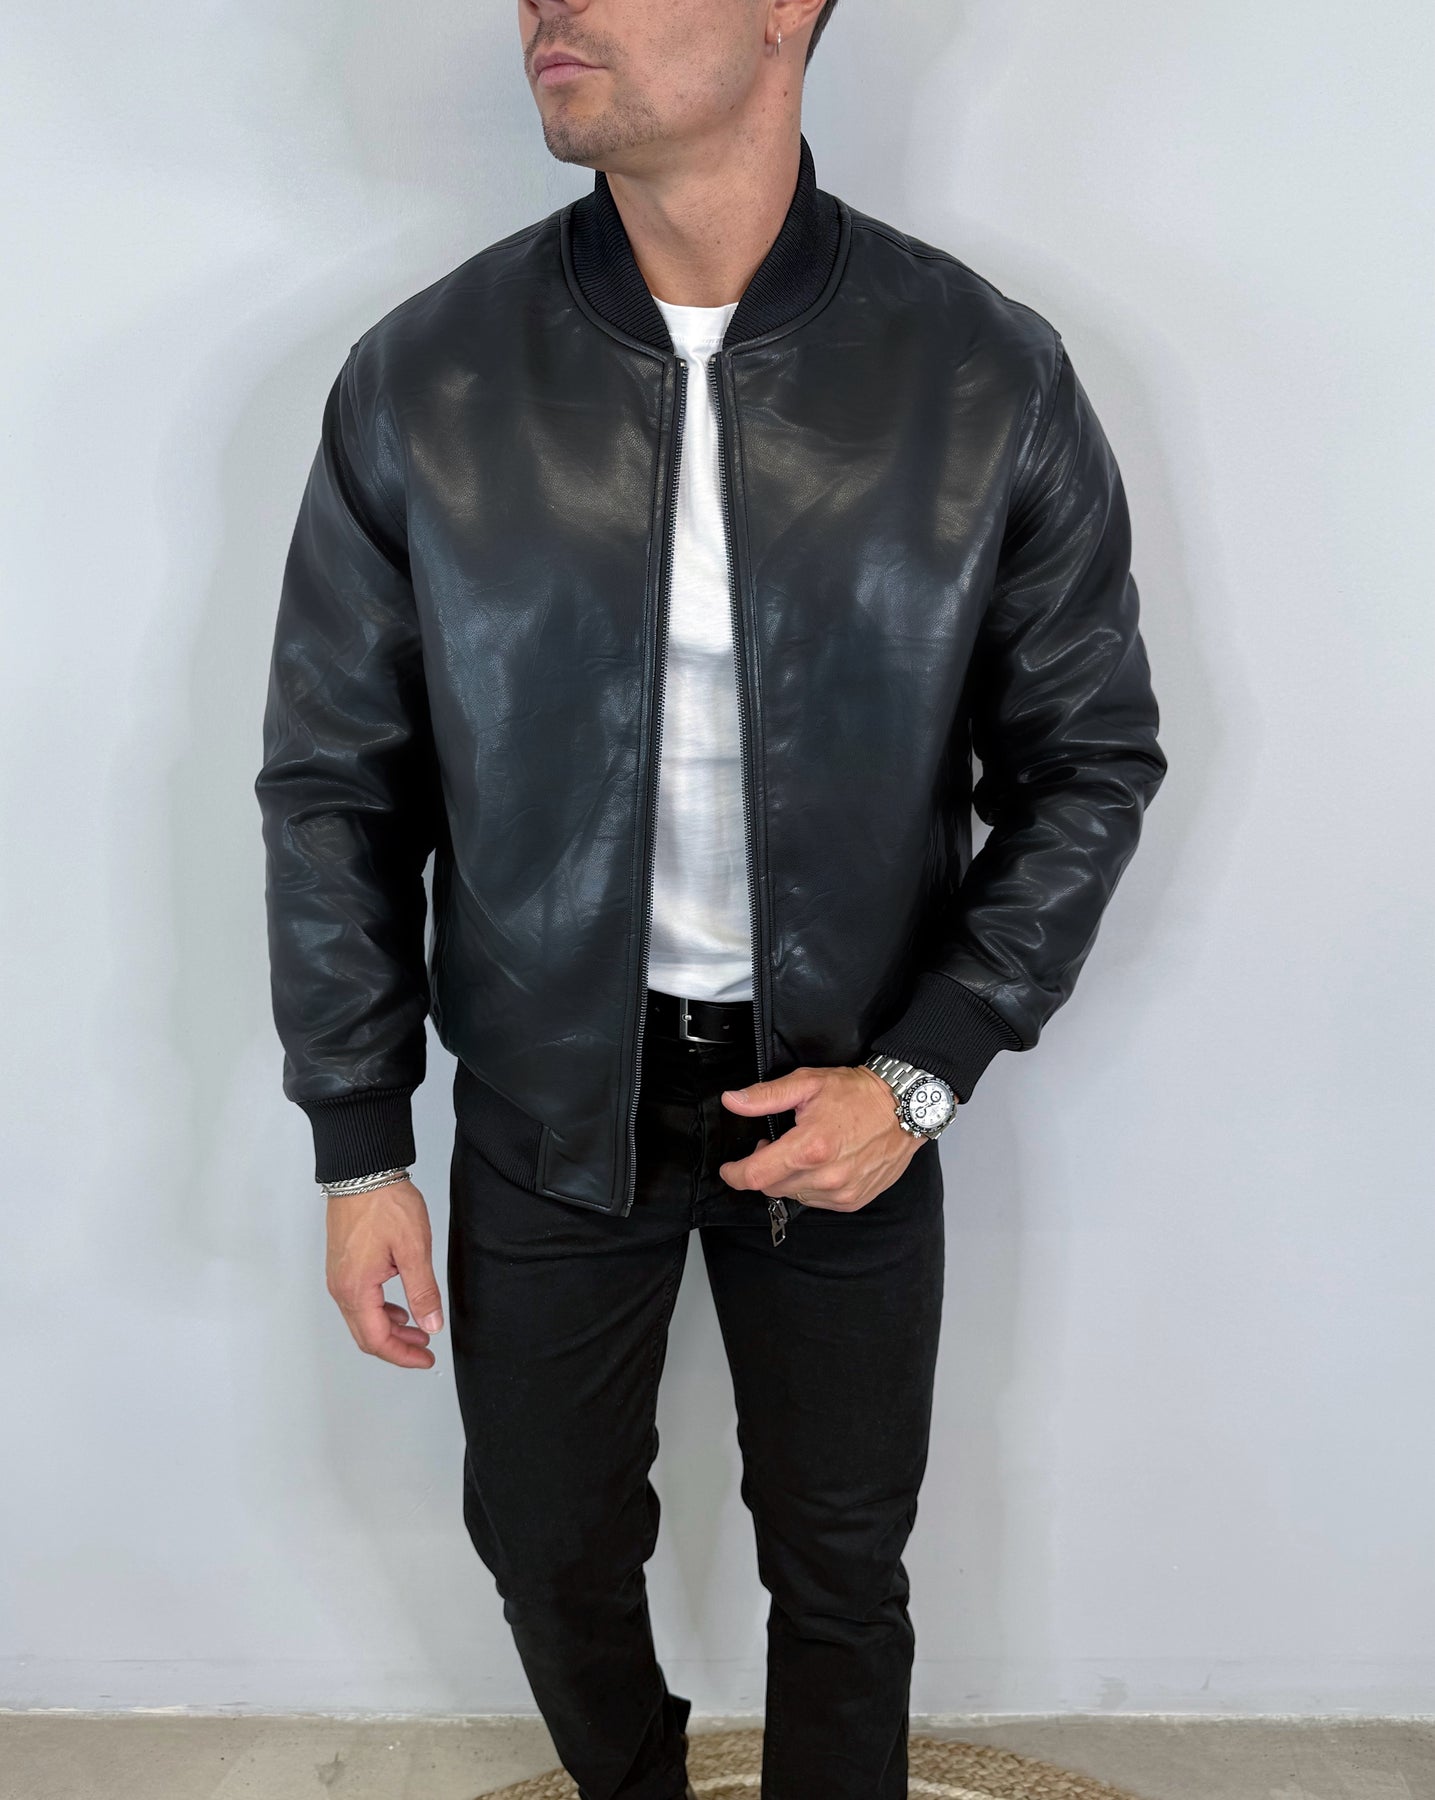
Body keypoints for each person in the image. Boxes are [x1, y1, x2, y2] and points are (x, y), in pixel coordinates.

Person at [253, 3, 1167, 1795]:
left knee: (843, 1570)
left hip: (847, 1091)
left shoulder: (981, 374)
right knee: (544, 1548)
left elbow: (1088, 760)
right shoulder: (427, 378)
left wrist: (919, 1074)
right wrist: (359, 1149)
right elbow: (336, 788)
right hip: (544, 1106)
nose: (547, 1)